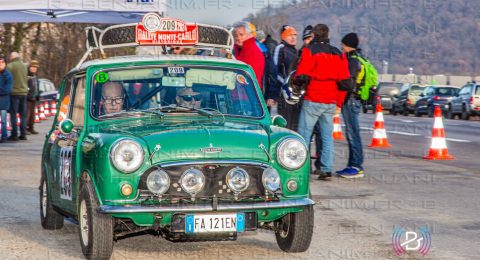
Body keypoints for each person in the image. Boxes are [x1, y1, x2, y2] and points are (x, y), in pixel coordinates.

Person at [294, 24, 350, 180]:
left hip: (313, 98)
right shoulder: (338, 53)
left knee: (304, 135)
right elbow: (345, 81)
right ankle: (326, 169)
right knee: (327, 136)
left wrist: (295, 82)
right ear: (328, 34)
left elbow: (302, 74)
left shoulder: (310, 51)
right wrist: (339, 103)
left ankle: (301, 167)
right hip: (330, 101)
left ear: (314, 35)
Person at [336, 33, 365, 178]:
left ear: (347, 45)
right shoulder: (359, 58)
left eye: (343, 44)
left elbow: (349, 83)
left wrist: (340, 102)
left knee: (353, 133)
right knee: (352, 132)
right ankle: (352, 164)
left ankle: (356, 166)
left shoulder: (352, 61)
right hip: (355, 99)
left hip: (351, 100)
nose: (341, 47)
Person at [266, 25, 300, 130]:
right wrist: (273, 95)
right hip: (284, 94)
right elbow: (274, 72)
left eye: (295, 35)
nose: (293, 37)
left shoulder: (296, 51)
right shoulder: (280, 48)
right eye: (290, 35)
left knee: (295, 126)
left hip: (296, 95)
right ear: (283, 37)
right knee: (285, 124)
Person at [232, 22, 265, 90]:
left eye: (241, 34)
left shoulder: (253, 52)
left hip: (247, 94)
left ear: (250, 35)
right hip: (239, 92)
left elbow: (247, 78)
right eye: (235, 35)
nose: (238, 37)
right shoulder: (239, 50)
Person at [7, 52, 28, 141]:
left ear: (12, 57)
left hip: (14, 93)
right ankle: (23, 134)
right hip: (23, 93)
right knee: (23, 115)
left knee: (13, 114)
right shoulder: (24, 66)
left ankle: (14, 134)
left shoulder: (10, 66)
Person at [0, 57, 13, 143]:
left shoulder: (8, 75)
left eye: (2, 62)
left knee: (4, 121)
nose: (0, 64)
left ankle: (4, 136)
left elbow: (7, 90)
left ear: (5, 64)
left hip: (3, 102)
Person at [26, 60, 40, 135]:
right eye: (33, 67)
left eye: (35, 67)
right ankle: (25, 128)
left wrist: (38, 95)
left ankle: (31, 128)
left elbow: (37, 87)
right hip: (28, 98)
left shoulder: (35, 76)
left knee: (32, 114)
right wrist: (28, 95)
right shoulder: (27, 76)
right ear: (29, 67)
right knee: (27, 114)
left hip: (34, 97)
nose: (34, 68)